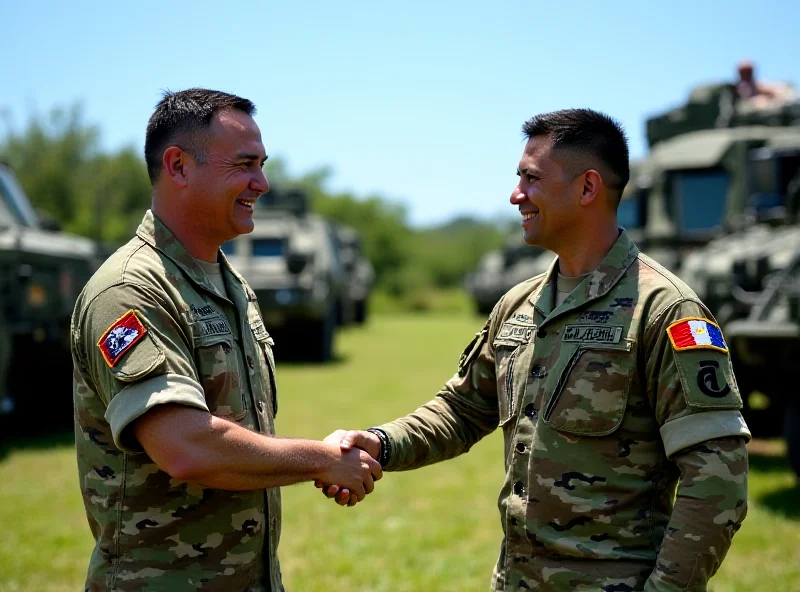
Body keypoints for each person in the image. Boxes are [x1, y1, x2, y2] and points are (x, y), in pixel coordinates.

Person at [318, 109, 751, 591]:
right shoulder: (518, 305)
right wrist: (380, 442)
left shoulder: (666, 311)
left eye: (532, 178)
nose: (515, 195)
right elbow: (462, 409)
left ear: (588, 188)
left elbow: (717, 483)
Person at [70, 88, 382, 592]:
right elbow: (185, 447)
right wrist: (322, 460)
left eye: (262, 164)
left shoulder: (227, 281)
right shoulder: (130, 289)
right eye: (244, 164)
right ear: (178, 166)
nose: (262, 182)